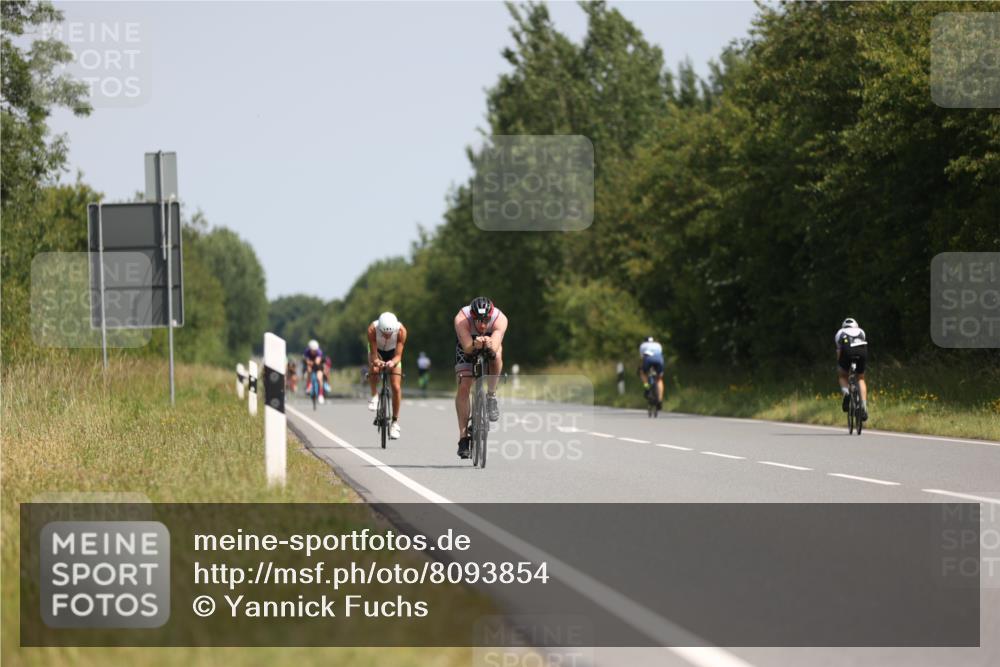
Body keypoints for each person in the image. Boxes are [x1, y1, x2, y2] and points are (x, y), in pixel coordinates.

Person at [454, 296, 508, 459]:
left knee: (496, 357)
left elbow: (495, 348)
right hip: (467, 344)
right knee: (464, 385)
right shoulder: (461, 319)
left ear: (491, 317)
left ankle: (491, 395)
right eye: (478, 320)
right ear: (472, 316)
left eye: (486, 320)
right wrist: (474, 345)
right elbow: (468, 349)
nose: (482, 325)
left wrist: (489, 344)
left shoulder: (500, 319)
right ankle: (463, 438)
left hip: (491, 341)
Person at [367, 312, 407, 439]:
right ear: (379, 329)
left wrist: (392, 362)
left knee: (395, 386)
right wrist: (377, 361)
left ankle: (395, 423)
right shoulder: (372, 329)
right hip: (377, 351)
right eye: (384, 334)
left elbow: (398, 356)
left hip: (393, 354)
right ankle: (374, 396)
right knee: (374, 368)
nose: (387, 336)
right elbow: (373, 354)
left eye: (390, 334)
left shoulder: (401, 331)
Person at [835, 317, 868, 420]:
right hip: (862, 353)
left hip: (847, 352)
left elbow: (839, 352)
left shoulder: (840, 332)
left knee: (842, 376)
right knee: (861, 378)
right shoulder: (861, 331)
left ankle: (846, 393)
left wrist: (840, 365)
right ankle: (863, 407)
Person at [639, 336, 665, 409]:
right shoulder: (658, 344)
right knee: (659, 379)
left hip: (648, 360)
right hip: (659, 360)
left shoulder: (643, 345)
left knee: (643, 373)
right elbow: (660, 354)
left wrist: (641, 368)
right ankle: (659, 400)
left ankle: (647, 387)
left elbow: (642, 358)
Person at [302, 339, 326, 404]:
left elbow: (317, 362)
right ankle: (308, 385)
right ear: (310, 349)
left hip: (318, 365)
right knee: (308, 369)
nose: (314, 351)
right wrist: (308, 362)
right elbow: (306, 360)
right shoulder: (307, 351)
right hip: (310, 364)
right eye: (313, 350)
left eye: (315, 350)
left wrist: (310, 362)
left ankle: (321, 395)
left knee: (319, 378)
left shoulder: (319, 352)